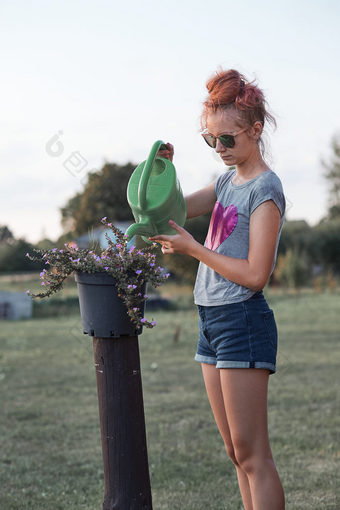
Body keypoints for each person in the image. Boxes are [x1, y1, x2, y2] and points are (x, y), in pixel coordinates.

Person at [149, 68, 286, 510]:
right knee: (234, 453)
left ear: (256, 129)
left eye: (228, 139)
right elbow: (170, 212)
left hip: (242, 319)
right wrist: (162, 172)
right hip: (211, 319)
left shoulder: (264, 190)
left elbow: (254, 274)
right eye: (211, 141)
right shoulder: (227, 181)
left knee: (253, 454)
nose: (220, 150)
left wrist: (193, 250)